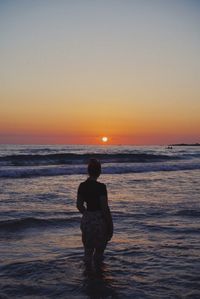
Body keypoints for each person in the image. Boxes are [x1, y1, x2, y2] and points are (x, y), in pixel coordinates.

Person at [77, 158, 113, 264]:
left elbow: (79, 205)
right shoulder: (101, 187)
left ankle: (87, 276)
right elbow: (105, 208)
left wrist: (87, 214)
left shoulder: (82, 186)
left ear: (88, 171)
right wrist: (110, 226)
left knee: (87, 252)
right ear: (99, 172)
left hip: (87, 220)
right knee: (99, 252)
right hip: (100, 221)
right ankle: (98, 276)